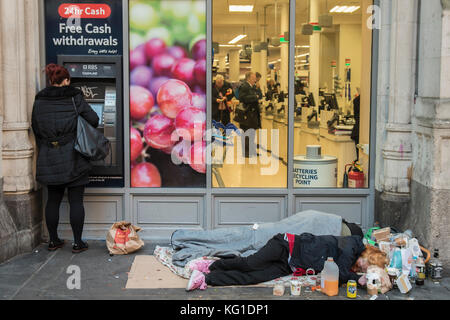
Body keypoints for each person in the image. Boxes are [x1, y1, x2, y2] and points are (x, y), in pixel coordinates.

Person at [32, 64, 99, 253]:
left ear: (51, 81)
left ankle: (53, 241)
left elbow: (35, 127)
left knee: (53, 199)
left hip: (49, 155)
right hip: (73, 155)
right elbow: (94, 119)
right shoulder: (74, 96)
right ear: (67, 80)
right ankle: (78, 243)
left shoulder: (39, 99)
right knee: (76, 201)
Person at [186, 232, 388, 292]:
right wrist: (359, 280)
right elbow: (342, 273)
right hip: (285, 245)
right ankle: (211, 265)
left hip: (291, 265)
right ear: (367, 256)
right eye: (368, 264)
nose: (364, 269)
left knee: (252, 278)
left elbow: (340, 275)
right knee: (249, 264)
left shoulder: (351, 261)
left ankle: (206, 279)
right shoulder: (352, 245)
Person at [237, 71, 262, 157]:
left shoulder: (253, 87)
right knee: (247, 133)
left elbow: (260, 95)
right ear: (249, 78)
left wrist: (258, 90)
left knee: (252, 133)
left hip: (253, 113)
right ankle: (246, 152)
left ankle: (251, 150)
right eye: (253, 77)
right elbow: (242, 98)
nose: (255, 79)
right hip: (247, 114)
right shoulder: (244, 86)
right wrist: (255, 97)